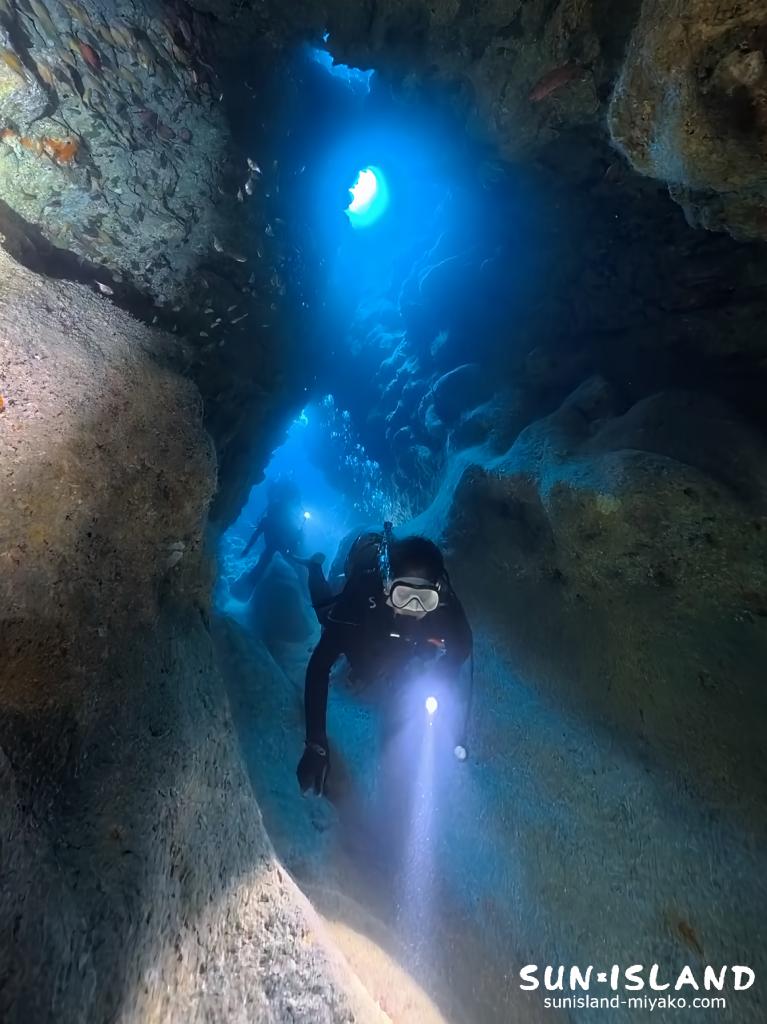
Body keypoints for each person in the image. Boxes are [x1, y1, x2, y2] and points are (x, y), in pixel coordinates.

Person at [296, 524, 473, 796]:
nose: (413, 609)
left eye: (423, 598)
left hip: (398, 631)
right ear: (388, 584)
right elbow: (320, 665)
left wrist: (438, 677)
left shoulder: (445, 606)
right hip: (364, 566)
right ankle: (314, 568)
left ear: (438, 591)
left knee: (402, 655)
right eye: (404, 595)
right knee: (327, 618)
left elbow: (460, 650)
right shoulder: (364, 590)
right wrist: (316, 744)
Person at [231, 478, 306, 601]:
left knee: (262, 568)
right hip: (278, 547)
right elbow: (256, 535)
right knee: (263, 568)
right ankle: (246, 594)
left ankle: (245, 593)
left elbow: (256, 535)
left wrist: (247, 549)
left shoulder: (271, 520)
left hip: (278, 547)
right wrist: (247, 549)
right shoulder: (276, 520)